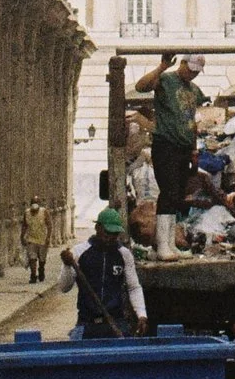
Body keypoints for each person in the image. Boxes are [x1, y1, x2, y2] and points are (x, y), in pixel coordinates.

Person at [135, 52, 208, 260]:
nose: (193, 75)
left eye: (197, 72)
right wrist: (162, 67)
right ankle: (161, 246)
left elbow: (192, 121)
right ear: (183, 63)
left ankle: (168, 244)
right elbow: (141, 86)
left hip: (185, 148)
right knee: (168, 192)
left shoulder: (194, 90)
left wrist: (194, 149)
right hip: (166, 144)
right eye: (191, 69)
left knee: (176, 195)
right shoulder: (166, 80)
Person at [59, 208, 148, 338]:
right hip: (87, 322)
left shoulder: (124, 254)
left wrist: (142, 314)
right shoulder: (79, 252)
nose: (110, 238)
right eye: (107, 232)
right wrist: (67, 266)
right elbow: (64, 287)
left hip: (116, 322)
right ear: (97, 228)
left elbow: (133, 287)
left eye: (115, 234)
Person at [20, 199, 53, 284]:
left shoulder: (44, 212)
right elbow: (24, 225)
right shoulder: (27, 213)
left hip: (42, 239)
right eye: (33, 203)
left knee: (42, 259)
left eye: (36, 203)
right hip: (31, 239)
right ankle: (33, 275)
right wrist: (22, 236)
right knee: (32, 258)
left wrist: (48, 237)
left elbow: (49, 224)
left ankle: (41, 270)